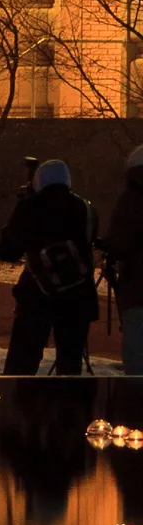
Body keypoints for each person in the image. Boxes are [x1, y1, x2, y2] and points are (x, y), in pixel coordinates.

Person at [0, 156, 100, 375]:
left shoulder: (29, 207)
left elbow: (8, 251)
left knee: (22, 362)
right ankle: (69, 406)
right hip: (77, 295)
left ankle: (20, 405)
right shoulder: (85, 208)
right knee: (70, 364)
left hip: (36, 295)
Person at [101, 142, 143, 377]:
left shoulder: (131, 201)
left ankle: (137, 404)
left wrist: (109, 247)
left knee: (137, 350)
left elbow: (120, 241)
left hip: (137, 288)